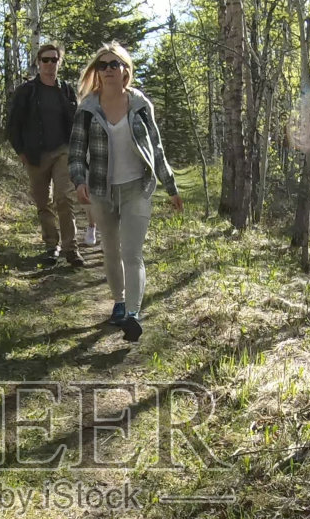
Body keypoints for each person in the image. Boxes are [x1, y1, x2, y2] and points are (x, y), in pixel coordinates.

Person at [68, 43, 182, 342]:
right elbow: (77, 151)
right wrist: (79, 180)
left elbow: (156, 147)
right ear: (97, 72)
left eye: (113, 64)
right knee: (111, 250)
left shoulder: (140, 105)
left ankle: (132, 313)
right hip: (101, 190)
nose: (107, 69)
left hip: (137, 188)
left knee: (132, 253)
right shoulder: (87, 108)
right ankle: (118, 301)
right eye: (102, 65)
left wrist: (170, 186)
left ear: (125, 71)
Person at [5, 45, 83, 267]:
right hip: (35, 154)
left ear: (60, 62)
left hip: (62, 151)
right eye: (45, 60)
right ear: (38, 62)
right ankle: (51, 246)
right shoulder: (26, 91)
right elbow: (13, 124)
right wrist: (20, 151)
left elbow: (76, 123)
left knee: (64, 198)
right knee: (43, 202)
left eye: (54, 60)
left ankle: (71, 249)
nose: (50, 64)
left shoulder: (66, 90)